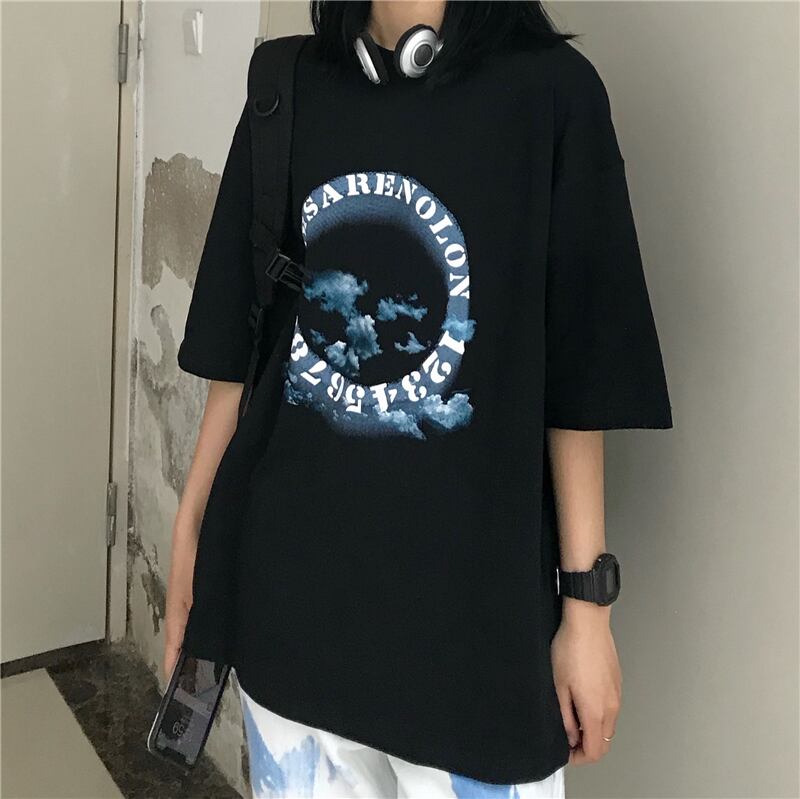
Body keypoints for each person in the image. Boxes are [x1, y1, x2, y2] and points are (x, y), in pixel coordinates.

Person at [165, 1, 673, 797]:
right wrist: (192, 532)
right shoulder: (284, 89)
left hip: (476, 650)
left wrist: (587, 611)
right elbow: (239, 356)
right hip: (290, 618)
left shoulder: (553, 96)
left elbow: (578, 380)